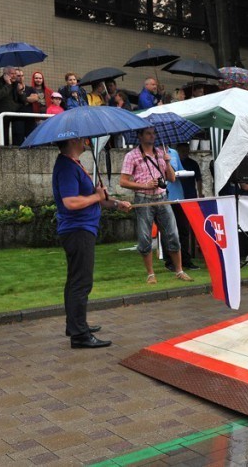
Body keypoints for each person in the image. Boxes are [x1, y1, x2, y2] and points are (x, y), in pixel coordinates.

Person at [53, 137, 131, 348]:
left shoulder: (74, 164)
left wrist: (116, 203)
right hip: (78, 230)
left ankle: (75, 325)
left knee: (76, 280)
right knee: (81, 282)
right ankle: (80, 335)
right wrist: (96, 197)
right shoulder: (67, 167)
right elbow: (70, 202)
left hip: (81, 229)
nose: (85, 141)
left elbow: (96, 198)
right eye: (81, 138)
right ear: (73, 141)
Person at [119, 127, 192, 284]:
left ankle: (179, 270)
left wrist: (168, 162)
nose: (152, 136)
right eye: (148, 133)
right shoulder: (132, 156)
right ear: (140, 136)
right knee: (145, 237)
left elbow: (172, 178)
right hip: (143, 199)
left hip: (162, 197)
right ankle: (151, 274)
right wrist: (144, 185)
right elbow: (123, 182)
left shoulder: (160, 153)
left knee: (172, 234)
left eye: (154, 133)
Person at [161, 145, 199, 272]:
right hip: (165, 197)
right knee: (169, 231)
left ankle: (186, 260)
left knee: (183, 229)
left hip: (179, 196)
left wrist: (183, 173)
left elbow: (181, 171)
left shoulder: (174, 152)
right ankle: (170, 261)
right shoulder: (154, 154)